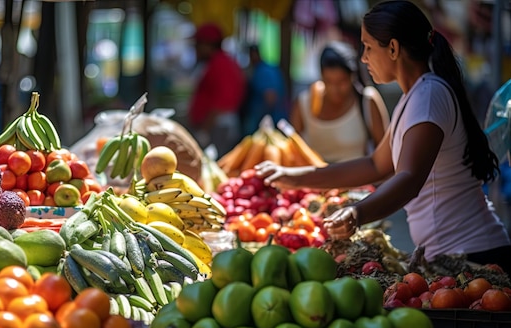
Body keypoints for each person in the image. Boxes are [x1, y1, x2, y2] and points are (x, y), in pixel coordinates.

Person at [255, 0, 511, 272]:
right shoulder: (414, 97)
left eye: (367, 47)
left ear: (392, 48)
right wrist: (293, 177)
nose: (363, 58)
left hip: (477, 257)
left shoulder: (428, 97)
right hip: (458, 255)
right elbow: (375, 165)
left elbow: (409, 179)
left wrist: (358, 212)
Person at [290, 40, 390, 163]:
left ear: (352, 76)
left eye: (341, 82)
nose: (334, 89)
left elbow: (385, 155)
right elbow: (292, 149)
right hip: (316, 180)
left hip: (358, 179)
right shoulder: (304, 103)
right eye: (328, 82)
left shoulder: (367, 101)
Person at [187, 23, 246, 156]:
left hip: (219, 127)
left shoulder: (221, 64)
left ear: (208, 44)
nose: (195, 49)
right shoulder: (216, 62)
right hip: (215, 126)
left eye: (198, 45)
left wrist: (205, 129)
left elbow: (222, 103)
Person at [241, 44, 288, 136]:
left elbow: (270, 97)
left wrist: (264, 121)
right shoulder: (269, 68)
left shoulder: (263, 71)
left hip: (269, 121)